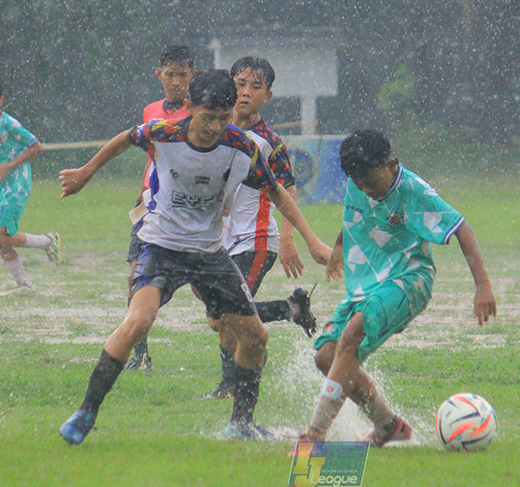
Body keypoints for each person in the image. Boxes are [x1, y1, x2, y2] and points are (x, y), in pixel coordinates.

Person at [58, 69, 330, 445]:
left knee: (255, 336)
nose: (215, 127)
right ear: (188, 107)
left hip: (209, 254)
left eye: (223, 117)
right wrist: (86, 172)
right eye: (208, 117)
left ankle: (241, 425)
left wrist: (311, 241)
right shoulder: (164, 133)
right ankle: (86, 411)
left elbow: (277, 191)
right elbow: (125, 138)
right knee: (139, 321)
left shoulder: (242, 147)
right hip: (162, 247)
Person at [297, 130, 497, 446]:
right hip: (368, 283)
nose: (366, 189)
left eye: (371, 182)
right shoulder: (359, 182)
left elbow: (461, 228)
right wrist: (338, 246)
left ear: (390, 165)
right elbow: (358, 215)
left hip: (409, 278)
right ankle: (388, 425)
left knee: (351, 336)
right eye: (358, 183)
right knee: (326, 357)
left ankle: (315, 435)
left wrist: (483, 285)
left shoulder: (413, 190)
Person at [202, 56, 326, 399]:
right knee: (219, 320)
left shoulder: (269, 141)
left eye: (255, 87)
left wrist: (287, 239)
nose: (245, 92)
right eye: (240, 84)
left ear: (267, 96)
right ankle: (289, 309)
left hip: (256, 241)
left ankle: (230, 385)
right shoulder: (215, 129)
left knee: (227, 315)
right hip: (220, 241)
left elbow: (287, 190)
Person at [125, 45, 195, 371]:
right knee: (133, 276)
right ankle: (141, 355)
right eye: (170, 74)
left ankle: (250, 334)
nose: (176, 81)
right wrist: (143, 191)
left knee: (203, 290)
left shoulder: (198, 112)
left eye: (183, 74)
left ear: (192, 75)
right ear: (159, 75)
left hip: (182, 207)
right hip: (148, 204)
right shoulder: (150, 110)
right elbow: (151, 156)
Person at [0, 84, 60, 292]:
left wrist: (8, 166)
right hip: (0, 185)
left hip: (18, 183)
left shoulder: (10, 123)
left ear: (1, 100)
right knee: (0, 241)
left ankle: (47, 241)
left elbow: (36, 147)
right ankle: (24, 284)